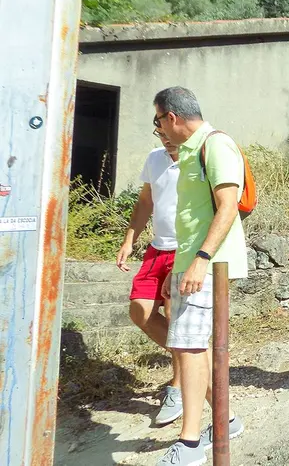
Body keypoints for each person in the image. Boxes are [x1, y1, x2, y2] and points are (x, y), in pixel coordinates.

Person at [153, 86, 247, 466]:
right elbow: (193, 219)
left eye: (158, 120)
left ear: (172, 117)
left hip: (209, 264)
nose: (158, 128)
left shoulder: (216, 144)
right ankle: (225, 421)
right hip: (191, 263)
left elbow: (227, 207)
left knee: (190, 348)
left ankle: (189, 444)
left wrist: (201, 259)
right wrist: (179, 267)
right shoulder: (189, 151)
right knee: (191, 347)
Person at [115, 132, 182, 426]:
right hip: (158, 248)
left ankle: (178, 387)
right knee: (139, 310)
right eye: (160, 133)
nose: (165, 139)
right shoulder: (155, 158)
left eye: (170, 132)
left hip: (185, 248)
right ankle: (194, 357)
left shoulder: (200, 159)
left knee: (174, 314)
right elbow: (145, 201)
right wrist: (130, 239)